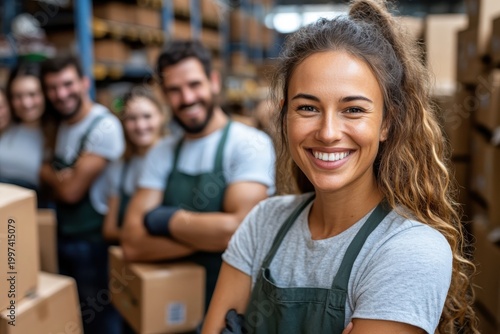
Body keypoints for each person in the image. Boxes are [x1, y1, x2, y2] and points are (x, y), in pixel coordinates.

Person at [201, 0, 478, 333]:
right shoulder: (263, 223)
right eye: (308, 108)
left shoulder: (409, 250)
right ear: (284, 115)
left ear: (387, 123)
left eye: (353, 110)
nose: (328, 133)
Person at [121, 40, 276, 313]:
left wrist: (164, 219)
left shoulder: (249, 144)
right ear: (165, 96)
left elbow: (237, 232)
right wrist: (207, 239)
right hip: (171, 305)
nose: (188, 98)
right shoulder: (161, 152)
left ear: (214, 81)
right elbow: (133, 243)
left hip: (234, 310)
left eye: (194, 85)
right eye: (175, 90)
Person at [39, 55, 124, 334]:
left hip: (93, 244)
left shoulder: (104, 126)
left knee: (100, 320)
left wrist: (48, 173)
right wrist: (56, 175)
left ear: (84, 83)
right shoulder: (62, 124)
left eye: (67, 84)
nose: (61, 94)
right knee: (74, 319)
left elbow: (71, 191)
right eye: (52, 88)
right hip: (65, 237)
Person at [102, 86, 166, 244]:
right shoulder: (121, 165)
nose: (140, 126)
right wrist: (137, 239)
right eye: (132, 118)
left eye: (147, 116)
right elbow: (109, 230)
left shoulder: (174, 158)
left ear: (161, 116)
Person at [0, 61, 55, 198]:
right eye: (18, 96)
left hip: (33, 212)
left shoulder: (56, 133)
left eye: (32, 94)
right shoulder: (5, 125)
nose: (26, 103)